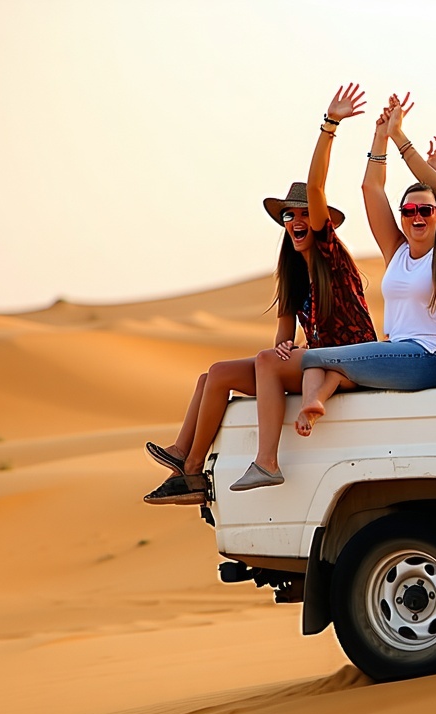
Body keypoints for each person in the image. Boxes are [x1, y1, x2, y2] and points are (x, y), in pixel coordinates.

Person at [142, 84, 378, 504]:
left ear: (321, 221)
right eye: (290, 215)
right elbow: (283, 334)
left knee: (264, 363)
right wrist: (285, 351)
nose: (297, 220)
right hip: (313, 362)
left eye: (304, 213)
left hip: (350, 361)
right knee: (214, 375)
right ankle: (189, 464)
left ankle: (264, 460)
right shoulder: (292, 271)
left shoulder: (331, 255)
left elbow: (318, 189)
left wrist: (331, 125)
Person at [294, 94, 436, 434]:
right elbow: (371, 187)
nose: (417, 216)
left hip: (429, 358)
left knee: (310, 358)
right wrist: (380, 134)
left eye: (425, 210)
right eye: (409, 211)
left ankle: (292, 383)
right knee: (330, 363)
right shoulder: (396, 249)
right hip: (396, 351)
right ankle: (315, 403)